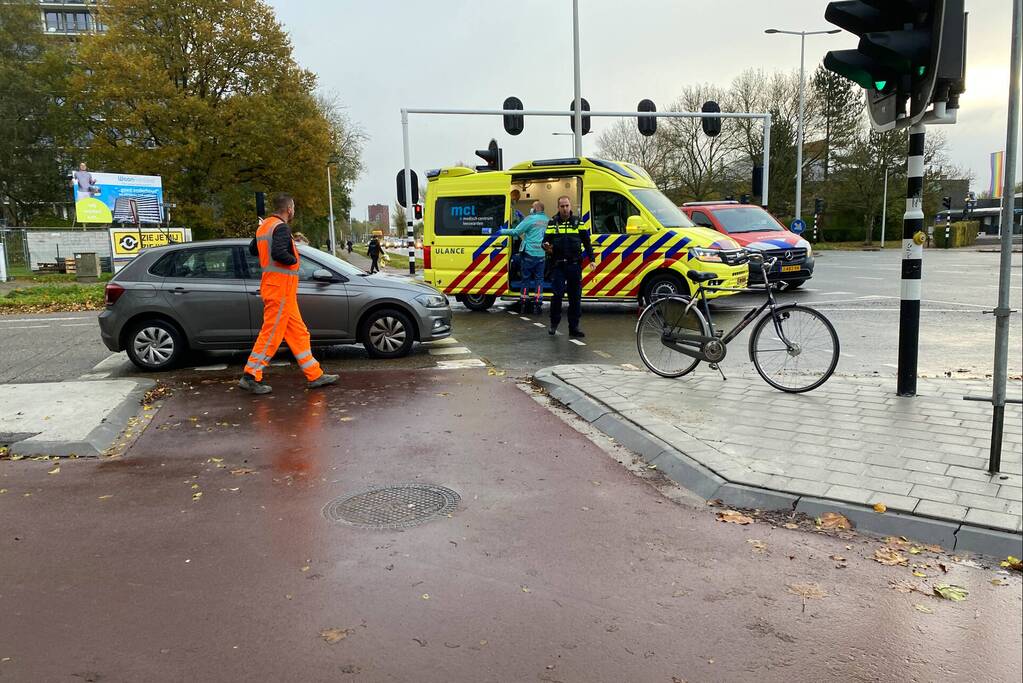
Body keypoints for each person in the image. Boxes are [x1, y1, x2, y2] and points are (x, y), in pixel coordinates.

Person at [239, 193, 339, 395]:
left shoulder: (265, 226)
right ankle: (250, 375)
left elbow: (253, 249)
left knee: (299, 333)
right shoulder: (281, 228)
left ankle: (314, 374)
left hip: (278, 289)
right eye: (293, 208)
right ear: (289, 209)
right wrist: (294, 261)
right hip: (281, 289)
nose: (293, 211)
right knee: (271, 335)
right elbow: (278, 253)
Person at [543, 195, 593, 338]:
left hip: (574, 265)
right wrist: (545, 246)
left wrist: (592, 259)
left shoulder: (578, 222)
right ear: (558, 208)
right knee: (557, 295)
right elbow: (545, 242)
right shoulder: (553, 223)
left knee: (575, 298)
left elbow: (587, 243)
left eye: (567, 206)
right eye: (562, 206)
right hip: (558, 266)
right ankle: (554, 323)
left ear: (570, 206)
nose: (565, 208)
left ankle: (574, 328)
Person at [495, 200, 548, 313]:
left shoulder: (530, 219)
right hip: (542, 254)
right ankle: (538, 302)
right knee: (539, 279)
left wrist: (502, 231)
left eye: (532, 207)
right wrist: (523, 217)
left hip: (529, 254)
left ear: (537, 208)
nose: (531, 208)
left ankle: (524, 301)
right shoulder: (547, 220)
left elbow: (517, 231)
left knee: (526, 279)